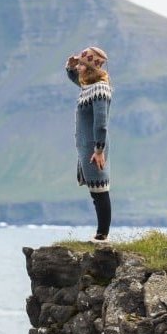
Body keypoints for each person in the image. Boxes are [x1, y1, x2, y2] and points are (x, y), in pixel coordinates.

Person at [65, 46, 112, 242]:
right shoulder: (89, 86)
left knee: (100, 190)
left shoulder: (100, 89)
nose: (79, 68)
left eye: (82, 65)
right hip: (88, 148)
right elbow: (75, 78)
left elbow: (101, 123)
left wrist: (99, 150)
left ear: (91, 69)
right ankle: (101, 233)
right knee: (95, 191)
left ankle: (102, 235)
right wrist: (70, 66)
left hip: (94, 148)